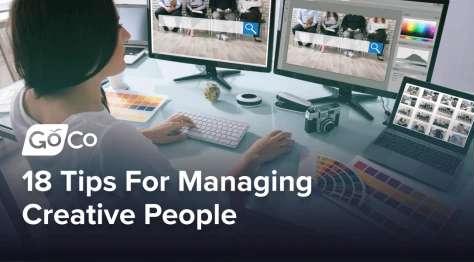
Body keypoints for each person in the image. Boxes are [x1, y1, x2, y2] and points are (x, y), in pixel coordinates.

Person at [8, 0, 294, 245]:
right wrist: (254, 157)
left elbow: (75, 152)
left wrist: (143, 135)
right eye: (114, 26)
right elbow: (203, 209)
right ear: (81, 41)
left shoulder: (23, 99)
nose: (128, 34)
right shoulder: (112, 140)